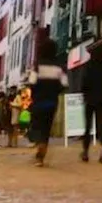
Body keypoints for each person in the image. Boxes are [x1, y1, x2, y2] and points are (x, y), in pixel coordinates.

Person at [27, 39, 69, 167]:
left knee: (36, 124)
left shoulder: (37, 66)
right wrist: (55, 91)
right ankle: (41, 155)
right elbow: (65, 84)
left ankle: (37, 145)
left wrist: (36, 92)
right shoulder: (59, 66)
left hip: (39, 101)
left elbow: (32, 83)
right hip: (52, 102)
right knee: (46, 127)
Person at [80, 51, 102, 164]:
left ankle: (85, 152)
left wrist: (85, 95)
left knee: (88, 127)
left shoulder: (88, 67)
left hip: (90, 101)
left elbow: (83, 84)